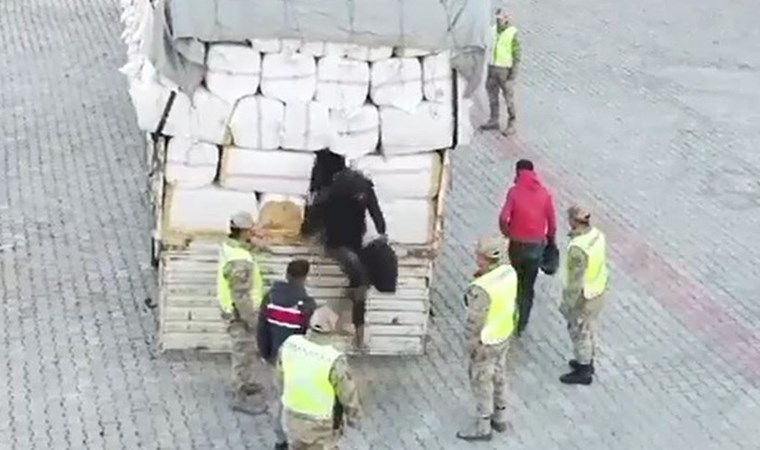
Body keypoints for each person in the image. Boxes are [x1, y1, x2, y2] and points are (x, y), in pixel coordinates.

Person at [302, 156, 387, 351]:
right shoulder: (363, 186)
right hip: (355, 242)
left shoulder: (327, 194)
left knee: (360, 281)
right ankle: (358, 336)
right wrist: (382, 235)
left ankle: (337, 317)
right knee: (361, 283)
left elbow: (308, 227)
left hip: (335, 245)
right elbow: (378, 217)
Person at [457, 236, 518, 442]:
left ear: (484, 258)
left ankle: (483, 426)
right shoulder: (510, 272)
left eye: (479, 255)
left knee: (482, 381)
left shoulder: (481, 288)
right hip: (504, 333)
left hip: (486, 341)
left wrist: (470, 345)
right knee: (500, 374)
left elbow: (475, 321)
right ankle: (500, 416)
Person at [276, 306, 362, 450]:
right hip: (319, 423)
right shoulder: (333, 358)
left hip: (291, 416)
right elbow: (347, 393)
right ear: (332, 330)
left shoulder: (290, 344)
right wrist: (354, 416)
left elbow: (280, 376)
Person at [257, 259, 318, 449]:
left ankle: (280, 440)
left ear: (287, 274)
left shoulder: (270, 298)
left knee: (280, 398)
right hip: (297, 361)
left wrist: (265, 353)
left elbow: (262, 327)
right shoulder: (307, 305)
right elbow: (310, 337)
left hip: (276, 357)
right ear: (305, 277)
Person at [217, 211, 269, 415]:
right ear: (244, 230)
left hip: (233, 310)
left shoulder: (230, 247)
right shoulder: (240, 261)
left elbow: (246, 248)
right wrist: (252, 320)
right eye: (251, 228)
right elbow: (240, 295)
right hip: (239, 315)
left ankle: (246, 383)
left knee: (245, 352)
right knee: (242, 353)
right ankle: (240, 395)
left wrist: (258, 244)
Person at [498, 159, 556, 336]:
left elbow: (503, 217)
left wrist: (507, 232)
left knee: (514, 281)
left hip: (517, 245)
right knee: (528, 286)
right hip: (536, 246)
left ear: (517, 173)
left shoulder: (514, 193)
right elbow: (552, 224)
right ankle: (522, 323)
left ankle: (509, 315)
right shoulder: (545, 194)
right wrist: (550, 240)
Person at [559, 206, 608, 385]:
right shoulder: (597, 235)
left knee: (579, 331)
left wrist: (568, 304)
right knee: (590, 327)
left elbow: (575, 281)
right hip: (598, 289)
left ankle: (584, 369)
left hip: (584, 296)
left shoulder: (578, 248)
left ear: (573, 221)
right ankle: (588, 360)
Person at [480, 9, 521, 136]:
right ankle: (494, 120)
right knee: (492, 97)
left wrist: (513, 74)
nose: (499, 20)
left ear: (507, 19)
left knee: (508, 99)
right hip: (492, 68)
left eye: (502, 18)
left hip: (505, 71)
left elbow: (517, 55)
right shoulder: (492, 30)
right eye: (498, 18)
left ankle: (512, 123)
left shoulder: (512, 33)